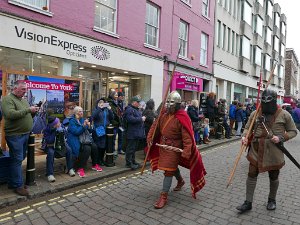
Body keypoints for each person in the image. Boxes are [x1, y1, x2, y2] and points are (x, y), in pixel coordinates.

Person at [236, 89, 297, 213]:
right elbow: (248, 127)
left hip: (274, 151)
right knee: (252, 173)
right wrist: (245, 136)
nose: (265, 105)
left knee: (273, 175)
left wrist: (281, 137)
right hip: (256, 149)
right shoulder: (255, 113)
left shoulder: (285, 114)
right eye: (263, 102)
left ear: (274, 101)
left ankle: (271, 200)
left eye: (268, 102)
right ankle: (248, 202)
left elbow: (293, 131)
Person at [147, 91, 206, 209]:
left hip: (174, 147)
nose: (169, 105)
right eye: (168, 103)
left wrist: (187, 150)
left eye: (172, 103)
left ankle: (163, 196)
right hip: (163, 146)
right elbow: (155, 126)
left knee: (168, 170)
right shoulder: (163, 114)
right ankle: (180, 181)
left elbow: (187, 137)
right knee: (170, 168)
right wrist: (150, 137)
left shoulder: (182, 117)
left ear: (177, 104)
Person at [2, 80, 39, 196]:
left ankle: (12, 181)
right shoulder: (8, 99)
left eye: (26, 89)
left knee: (19, 157)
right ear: (15, 88)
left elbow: (26, 114)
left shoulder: (23, 100)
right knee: (17, 159)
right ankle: (18, 185)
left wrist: (33, 112)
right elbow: (10, 114)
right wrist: (28, 110)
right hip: (15, 135)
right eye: (23, 89)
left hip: (24, 134)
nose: (25, 91)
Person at [43, 116, 75, 182]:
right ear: (54, 125)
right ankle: (50, 174)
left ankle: (70, 169)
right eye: (58, 122)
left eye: (59, 122)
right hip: (50, 145)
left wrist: (63, 131)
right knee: (50, 153)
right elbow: (49, 141)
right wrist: (55, 132)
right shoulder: (47, 129)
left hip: (61, 144)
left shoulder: (61, 126)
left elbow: (66, 135)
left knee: (69, 150)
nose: (59, 123)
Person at [67, 106, 92, 178]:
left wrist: (88, 125)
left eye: (82, 111)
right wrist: (84, 126)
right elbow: (76, 132)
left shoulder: (82, 119)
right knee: (84, 148)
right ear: (76, 113)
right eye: (80, 111)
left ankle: (94, 164)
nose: (82, 112)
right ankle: (79, 167)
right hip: (73, 139)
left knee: (93, 146)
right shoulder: (72, 121)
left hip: (82, 138)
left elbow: (87, 130)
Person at [123, 95, 146, 170]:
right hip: (131, 133)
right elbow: (130, 119)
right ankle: (128, 163)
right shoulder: (129, 109)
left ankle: (133, 161)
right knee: (130, 149)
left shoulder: (136, 109)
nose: (139, 103)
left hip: (136, 133)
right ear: (133, 102)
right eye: (137, 102)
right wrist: (141, 119)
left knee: (133, 149)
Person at [91, 99, 113, 168]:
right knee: (98, 145)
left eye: (103, 102)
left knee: (103, 146)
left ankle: (101, 159)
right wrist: (99, 109)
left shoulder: (106, 110)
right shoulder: (96, 110)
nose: (102, 104)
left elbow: (112, 118)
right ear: (97, 104)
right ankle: (96, 160)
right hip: (98, 130)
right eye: (100, 102)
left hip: (105, 130)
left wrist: (110, 110)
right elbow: (93, 117)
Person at [107, 90, 123, 157]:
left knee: (120, 137)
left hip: (119, 123)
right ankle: (113, 151)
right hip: (114, 124)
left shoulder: (118, 103)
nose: (116, 96)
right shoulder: (110, 103)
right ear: (112, 95)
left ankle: (119, 149)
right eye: (115, 95)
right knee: (113, 139)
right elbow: (113, 114)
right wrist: (116, 121)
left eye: (117, 95)